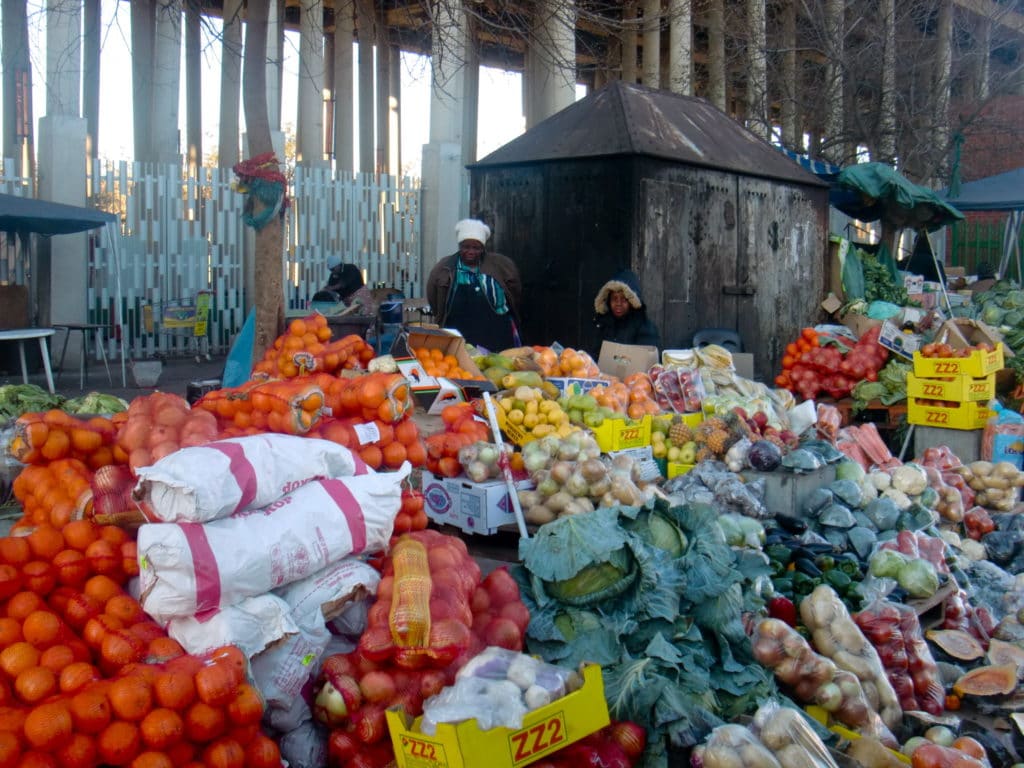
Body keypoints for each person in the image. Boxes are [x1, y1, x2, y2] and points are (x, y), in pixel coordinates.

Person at [425, 218, 522, 352]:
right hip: (458, 331)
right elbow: (433, 295)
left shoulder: (501, 265)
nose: (471, 251)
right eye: (466, 247)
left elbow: (515, 291)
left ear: (483, 248)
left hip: (496, 332)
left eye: (476, 248)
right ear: (460, 246)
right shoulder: (445, 267)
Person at [592, 269, 661, 351]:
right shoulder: (603, 325)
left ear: (632, 302)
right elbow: (594, 358)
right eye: (614, 299)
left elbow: (650, 359)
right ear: (608, 301)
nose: (618, 303)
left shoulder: (645, 329)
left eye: (624, 299)